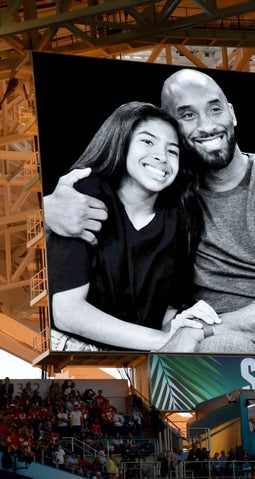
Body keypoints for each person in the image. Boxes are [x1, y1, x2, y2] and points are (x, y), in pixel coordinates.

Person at [44, 68, 255, 357]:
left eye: (215, 109)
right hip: (225, 341)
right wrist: (45, 210)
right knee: (226, 352)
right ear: (173, 127)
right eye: (188, 115)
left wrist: (190, 333)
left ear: (232, 113)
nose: (206, 126)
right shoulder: (167, 201)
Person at [45, 101, 220, 351]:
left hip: (137, 359)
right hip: (74, 352)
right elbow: (67, 312)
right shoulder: (86, 197)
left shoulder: (179, 220)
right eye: (147, 142)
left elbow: (164, 311)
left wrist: (182, 326)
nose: (161, 156)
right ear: (122, 142)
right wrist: (164, 341)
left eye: (172, 151)